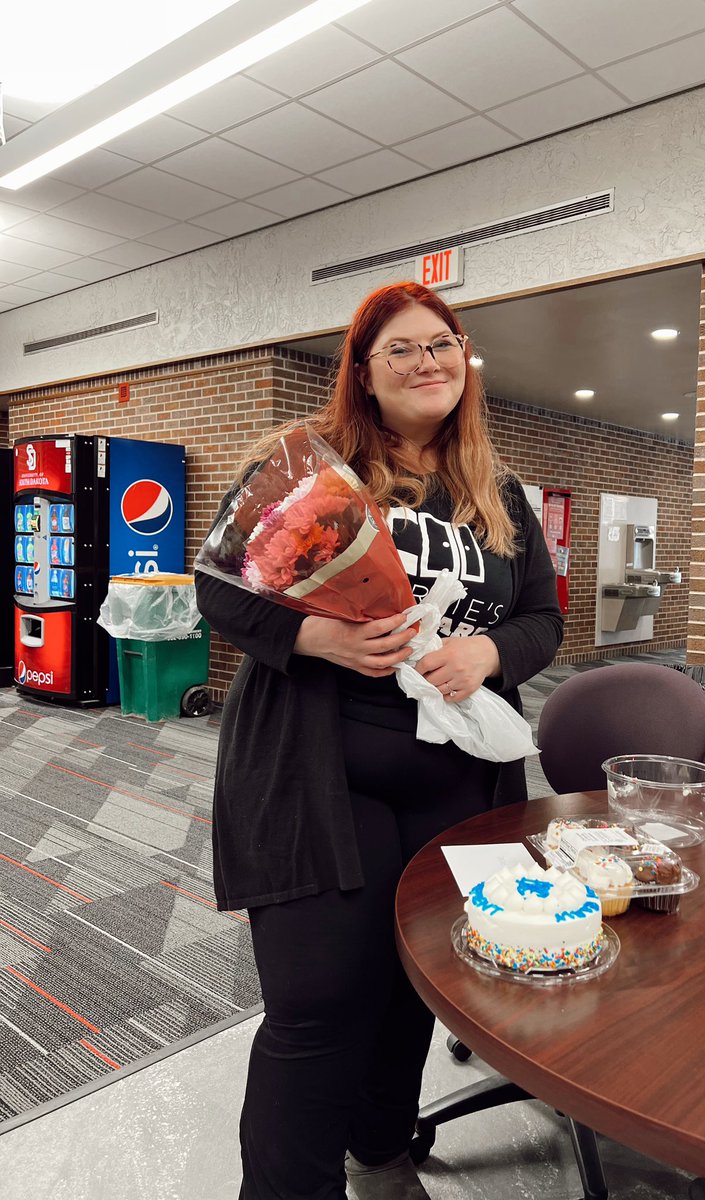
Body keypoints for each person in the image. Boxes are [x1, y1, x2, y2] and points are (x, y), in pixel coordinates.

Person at [196, 281, 564, 1200]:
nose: (428, 361)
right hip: (320, 773)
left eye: (443, 344)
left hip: (459, 781)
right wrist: (319, 636)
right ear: (362, 370)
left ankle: (382, 1150)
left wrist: (487, 649)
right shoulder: (307, 470)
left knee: (416, 989)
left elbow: (545, 620)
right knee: (318, 1006)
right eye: (401, 348)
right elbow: (222, 590)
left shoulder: (498, 490)